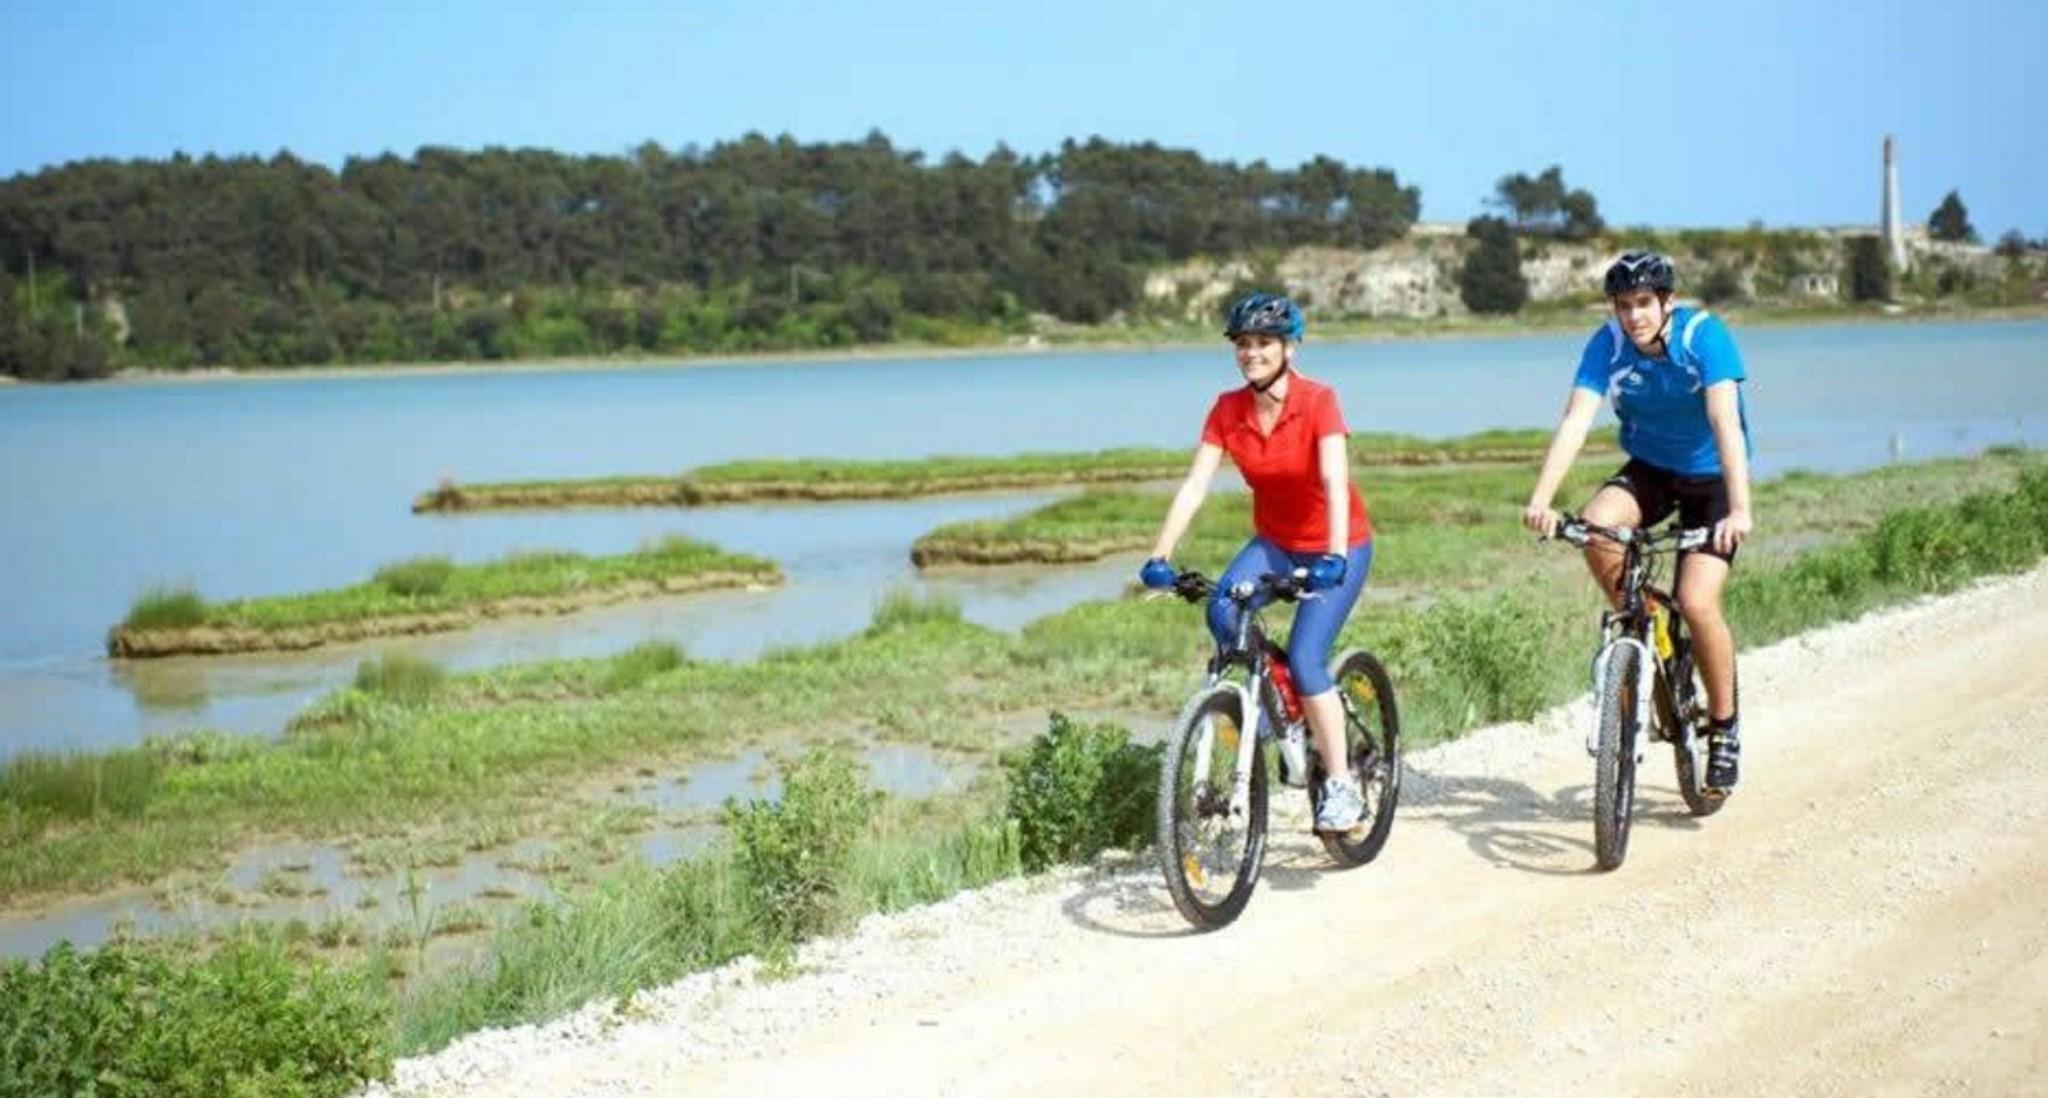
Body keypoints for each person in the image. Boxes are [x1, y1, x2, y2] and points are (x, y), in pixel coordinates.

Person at [1140, 291, 1376, 832]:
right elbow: (1196, 484)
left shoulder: (1319, 401)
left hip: (1338, 546)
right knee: (1223, 612)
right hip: (1274, 541)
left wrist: (1335, 555)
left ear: (1289, 347)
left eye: (1264, 342)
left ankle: (1340, 785)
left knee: (1308, 657)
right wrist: (1160, 553)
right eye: (1243, 344)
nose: (1252, 352)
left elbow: (1337, 483)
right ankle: (1285, 714)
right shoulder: (1227, 409)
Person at [1522, 251, 1754, 792]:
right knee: (1596, 527)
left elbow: (1725, 421)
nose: (1634, 316)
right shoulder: (1607, 343)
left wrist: (1740, 508)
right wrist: (1541, 499)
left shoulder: (1704, 337)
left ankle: (1724, 727)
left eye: (1644, 303)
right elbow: (1577, 418)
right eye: (1624, 305)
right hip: (1650, 468)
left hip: (1711, 478)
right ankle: (1645, 626)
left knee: (1697, 602)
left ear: (1667, 301)